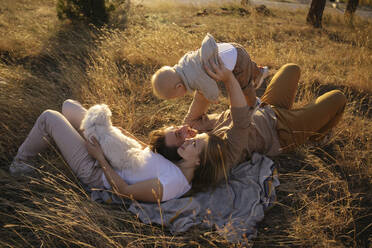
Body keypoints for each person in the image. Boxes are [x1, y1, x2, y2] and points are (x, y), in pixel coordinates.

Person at [149, 59, 347, 179]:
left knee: (291, 68)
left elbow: (202, 96)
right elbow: (240, 114)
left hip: (267, 108)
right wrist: (228, 79)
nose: (183, 127)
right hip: (283, 130)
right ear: (184, 153)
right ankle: (317, 137)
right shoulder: (219, 151)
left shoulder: (194, 131)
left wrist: (200, 71)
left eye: (175, 126)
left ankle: (309, 121)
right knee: (337, 98)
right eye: (178, 134)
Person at [8, 100, 208, 203]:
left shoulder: (172, 182)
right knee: (68, 106)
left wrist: (100, 158)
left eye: (193, 144)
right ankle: (63, 138)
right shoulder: (179, 163)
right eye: (191, 140)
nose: (188, 141)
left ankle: (19, 164)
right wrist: (127, 136)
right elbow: (149, 156)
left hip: (97, 171)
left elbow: (124, 191)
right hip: (115, 153)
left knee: (49, 117)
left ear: (199, 161)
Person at [151, 33, 269, 125]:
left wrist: (213, 98)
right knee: (248, 66)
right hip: (230, 48)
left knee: (244, 86)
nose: (181, 96)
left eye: (177, 96)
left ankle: (254, 104)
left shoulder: (195, 78)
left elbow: (209, 87)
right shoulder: (183, 63)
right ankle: (260, 71)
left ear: (179, 87)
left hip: (237, 62)